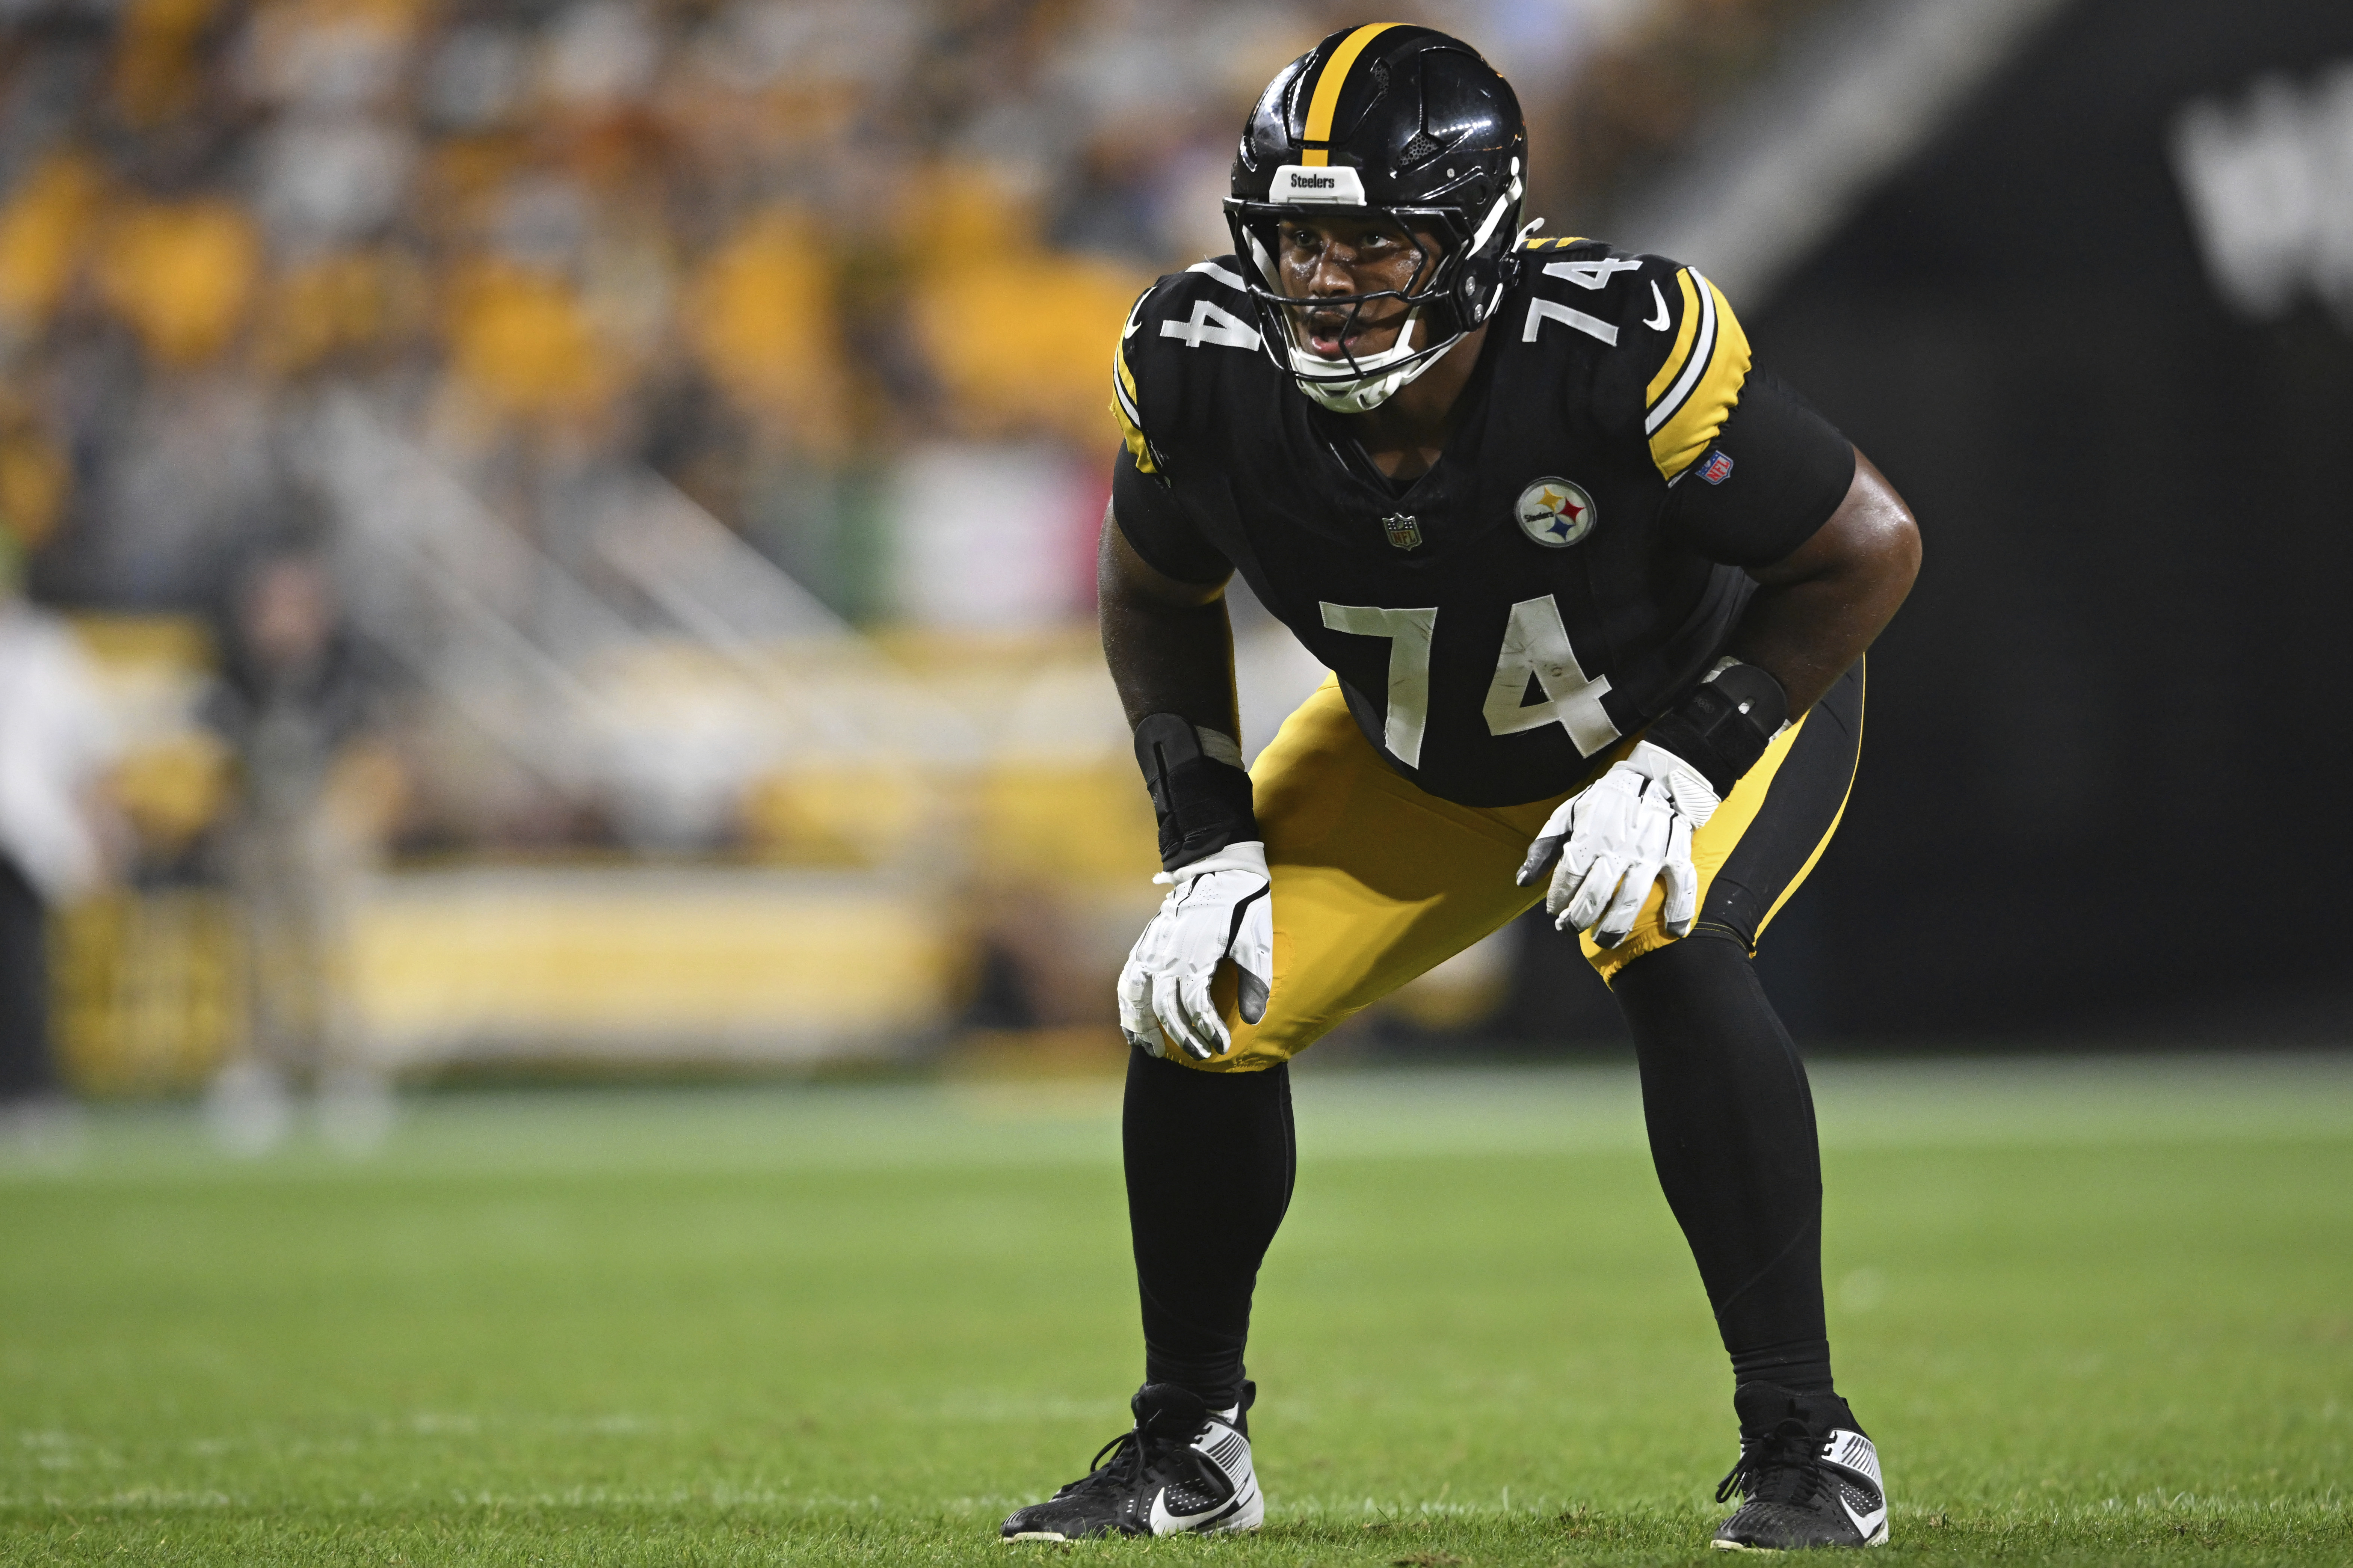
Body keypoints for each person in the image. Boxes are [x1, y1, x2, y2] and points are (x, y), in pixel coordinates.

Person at [1000, 24, 1921, 1553]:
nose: (1326, 281)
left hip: (1683, 716)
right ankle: (1190, 1444)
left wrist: (1685, 760)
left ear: (1476, 237)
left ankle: (1808, 1441)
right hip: (1421, 749)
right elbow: (1153, 592)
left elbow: (1864, 548)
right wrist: (1204, 839)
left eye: (1373, 241)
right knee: (1204, 1000)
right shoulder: (1201, 362)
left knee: (1668, 938)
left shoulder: (1613, 342)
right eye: (1298, 240)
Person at [0, 526, 119, 1127]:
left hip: (29, 834)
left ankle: (32, 1089)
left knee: (27, 971)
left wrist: (100, 831)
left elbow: (89, 753)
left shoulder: (48, 651)